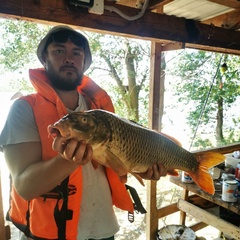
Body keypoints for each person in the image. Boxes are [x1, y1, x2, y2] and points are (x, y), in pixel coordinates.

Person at [0, 25, 167, 240]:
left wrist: (141, 167)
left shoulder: (100, 107)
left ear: (83, 63)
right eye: (59, 51)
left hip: (104, 229)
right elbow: (24, 186)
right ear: (45, 59)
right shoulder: (24, 109)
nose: (69, 58)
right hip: (50, 234)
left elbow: (117, 162)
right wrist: (70, 160)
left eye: (76, 53)